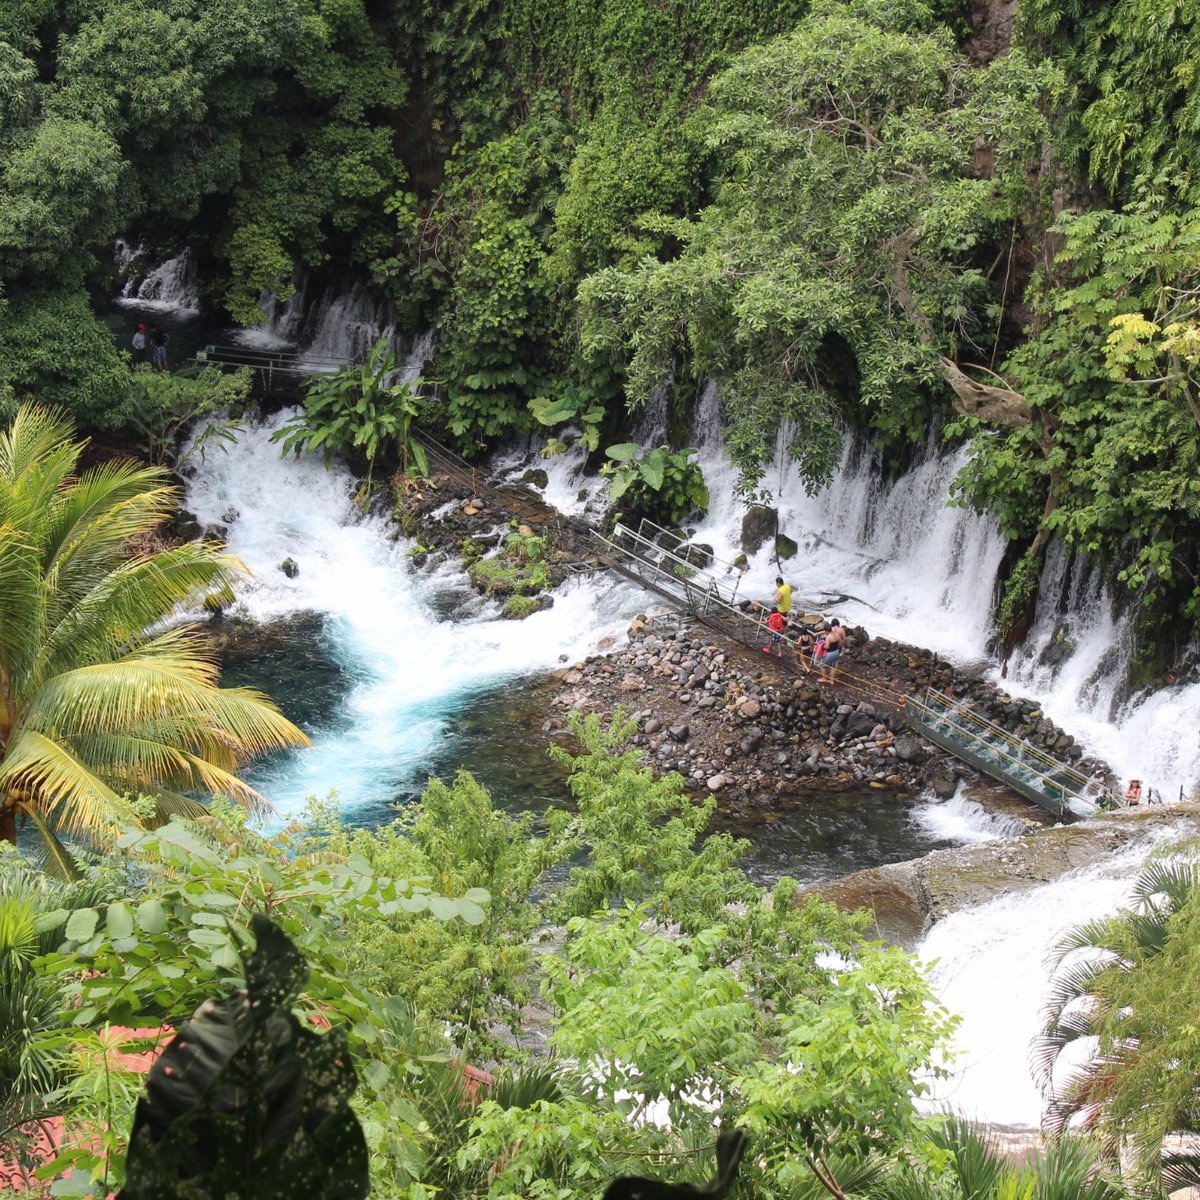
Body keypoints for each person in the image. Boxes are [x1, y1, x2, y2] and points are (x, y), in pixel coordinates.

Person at [816, 618, 847, 683]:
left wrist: (821, 646)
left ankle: (824, 678)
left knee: (822, 665)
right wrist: (837, 649)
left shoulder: (828, 637)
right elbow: (840, 643)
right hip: (836, 652)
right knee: (833, 666)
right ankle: (831, 680)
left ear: (826, 630)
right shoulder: (837, 634)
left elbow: (827, 647)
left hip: (830, 653)